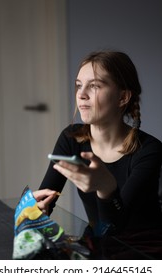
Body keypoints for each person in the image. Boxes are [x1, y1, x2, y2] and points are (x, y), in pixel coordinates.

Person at [33, 50, 162, 259]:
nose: (81, 94)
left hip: (142, 251)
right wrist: (33, 210)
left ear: (122, 97)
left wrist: (105, 188)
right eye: (78, 85)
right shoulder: (70, 138)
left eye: (94, 86)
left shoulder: (149, 150)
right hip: (97, 244)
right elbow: (44, 203)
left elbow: (116, 229)